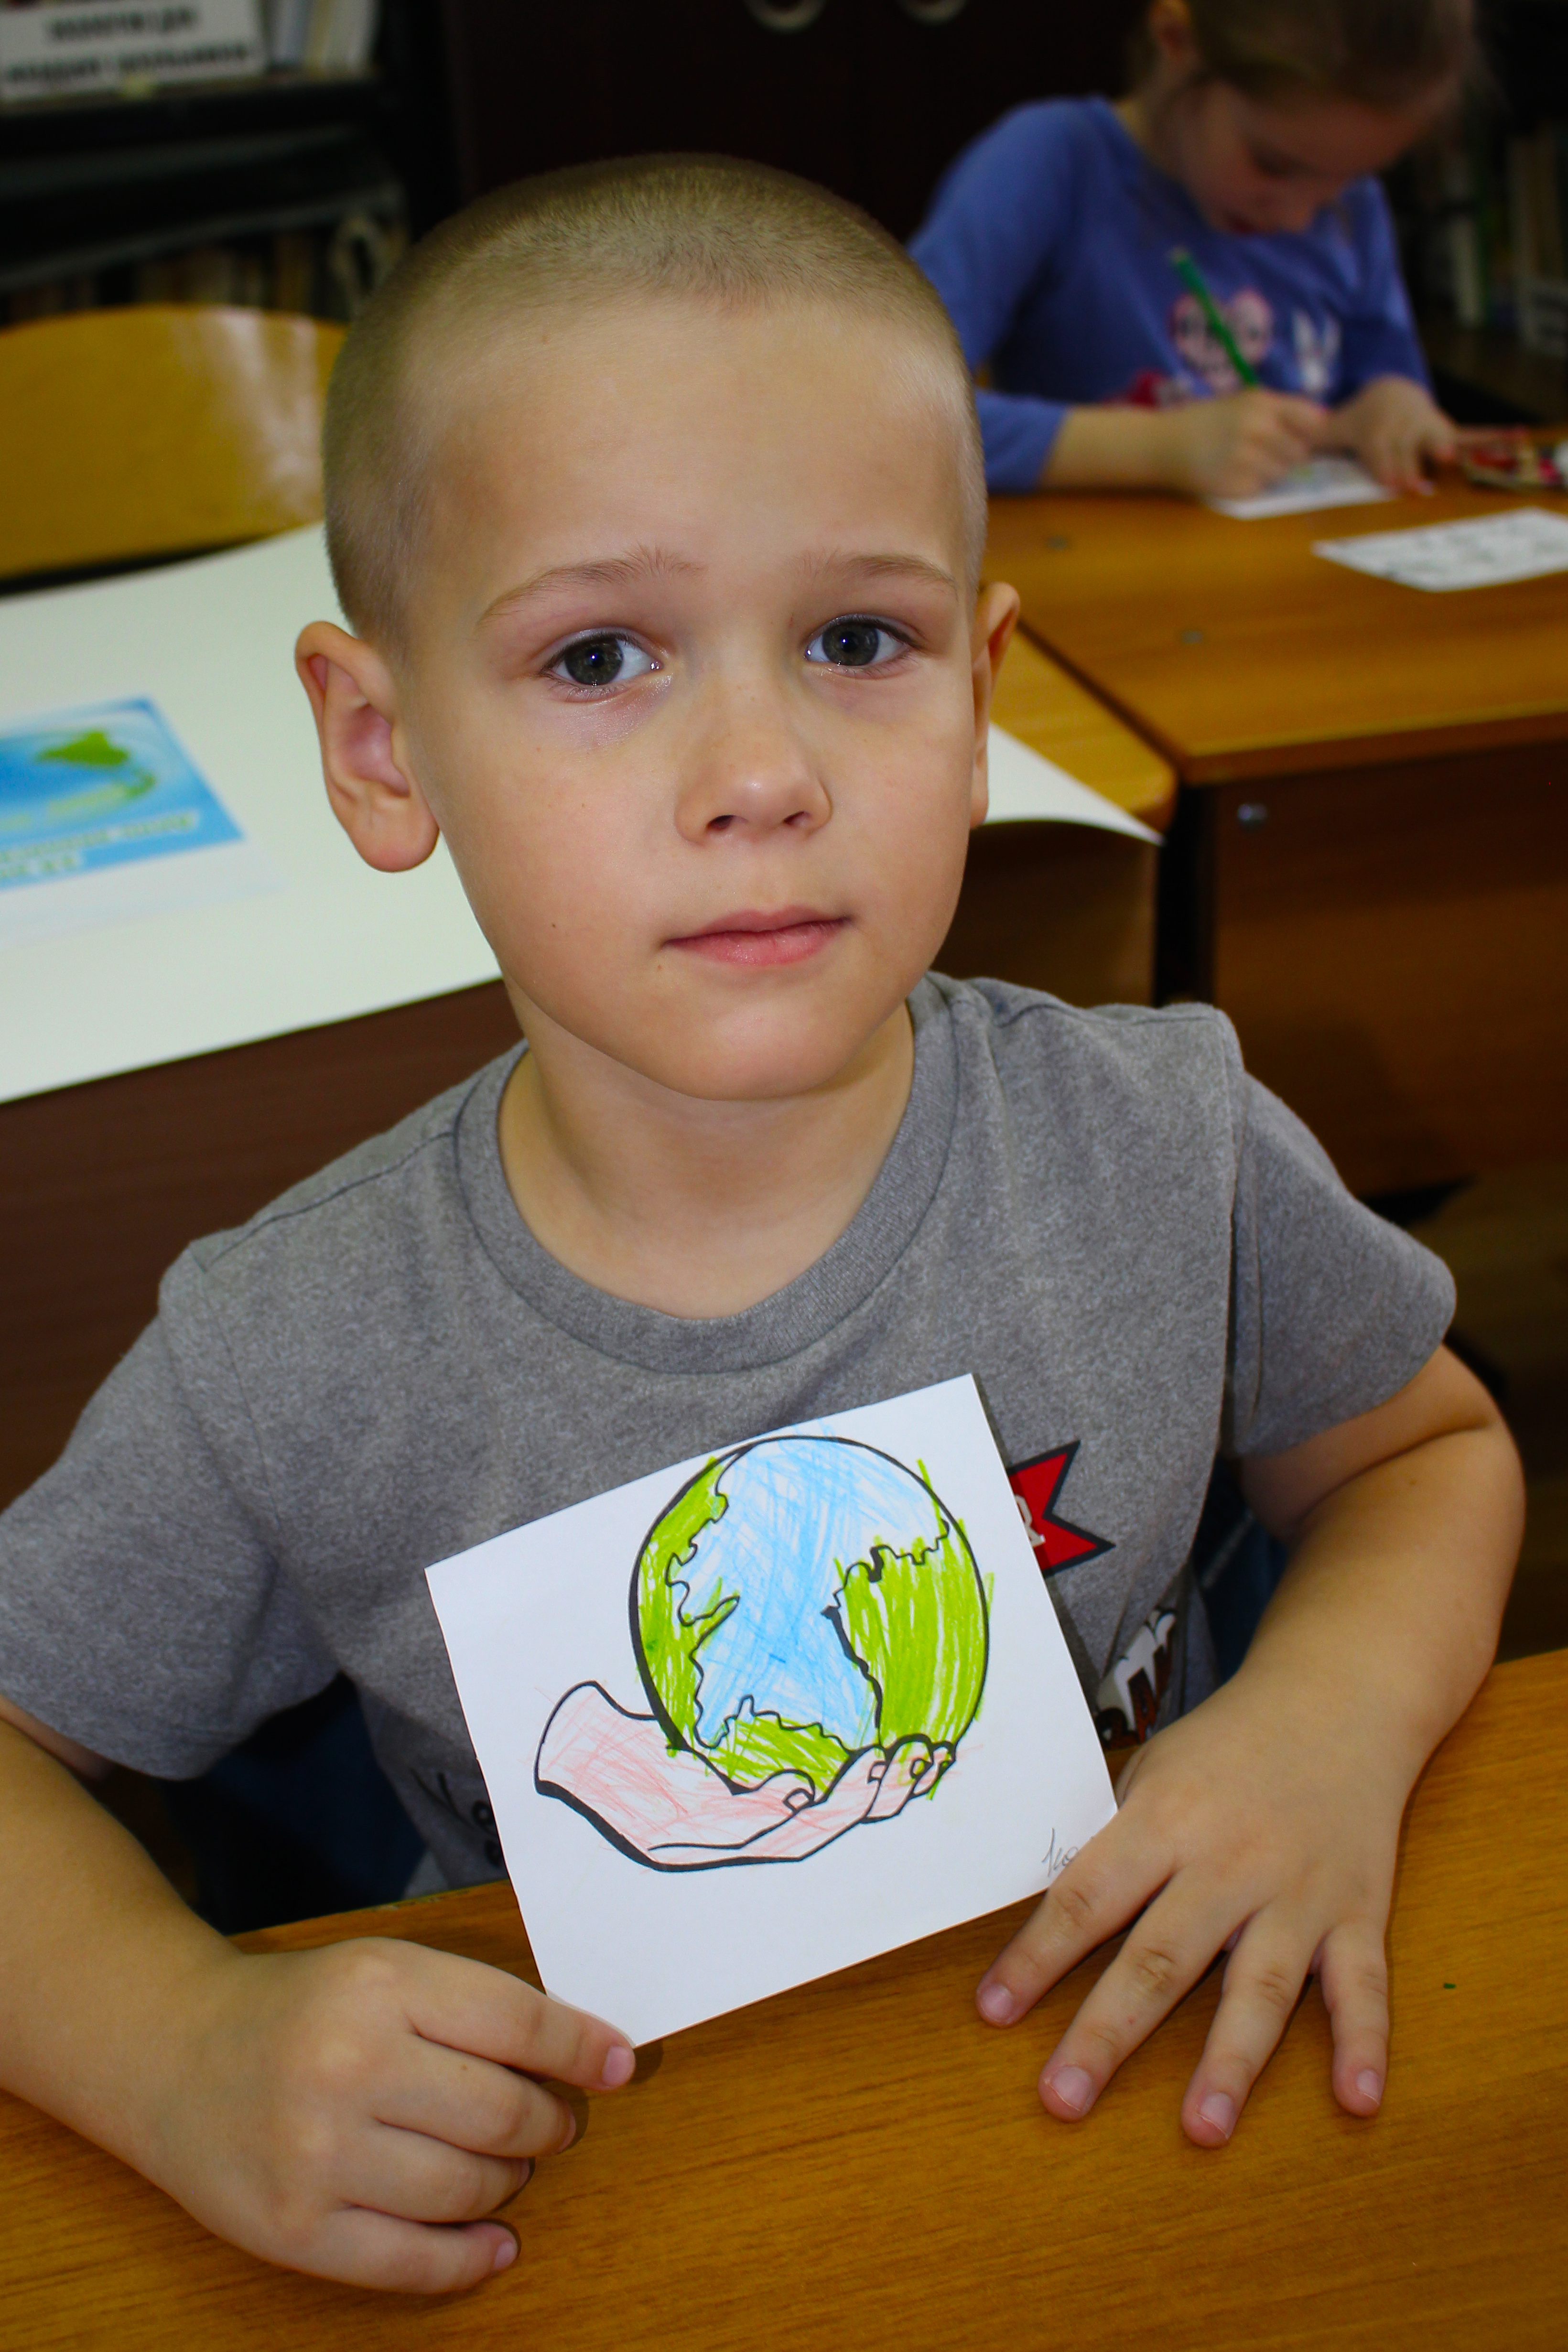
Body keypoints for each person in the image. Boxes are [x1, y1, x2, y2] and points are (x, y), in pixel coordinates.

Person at [0, 155, 1521, 2297]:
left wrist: (1329, 1713)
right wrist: (175, 2045)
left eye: (857, 639)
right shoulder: (296, 1344)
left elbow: (1423, 1451)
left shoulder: (1159, 1140)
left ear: (980, 693)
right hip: (617, 2199)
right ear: (382, 744)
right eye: (600, 653)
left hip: (1150, 2104)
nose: (762, 767)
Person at [908, 0, 1471, 500]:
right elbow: (897, 407)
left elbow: (1385, 376)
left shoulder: (1352, 205)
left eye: (1344, 181)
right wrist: (1159, 448)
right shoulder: (1045, 165)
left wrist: (1394, 405)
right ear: (1176, 41)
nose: (1298, 217)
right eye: (1273, 165)